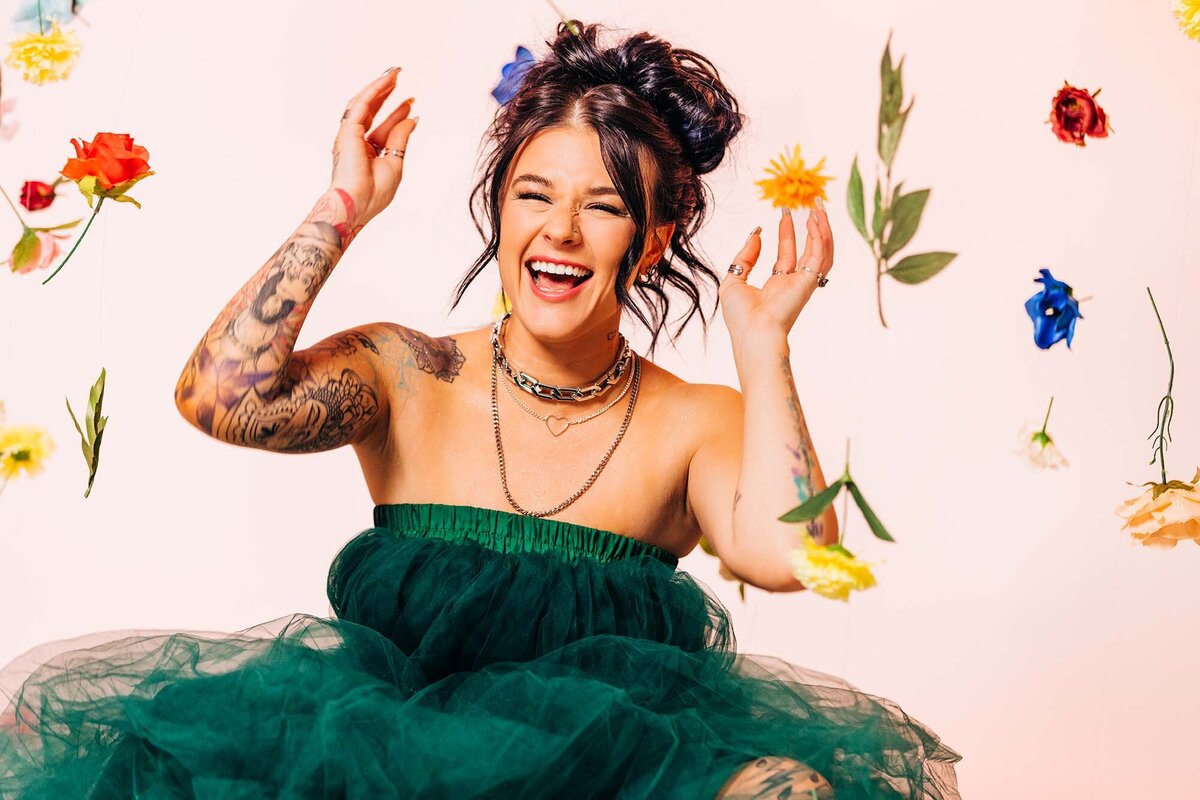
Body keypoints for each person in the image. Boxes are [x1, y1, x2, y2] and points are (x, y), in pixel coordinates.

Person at [0, 20, 960, 799]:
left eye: (605, 206)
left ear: (656, 238)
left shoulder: (693, 421)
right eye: (532, 193)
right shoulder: (406, 371)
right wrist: (343, 205)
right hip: (372, 770)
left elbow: (790, 560)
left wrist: (763, 348)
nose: (559, 231)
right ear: (498, 208)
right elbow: (219, 400)